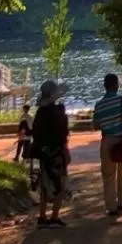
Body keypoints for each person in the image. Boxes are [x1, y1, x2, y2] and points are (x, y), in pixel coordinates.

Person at [93, 73, 122, 217]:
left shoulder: (99, 104)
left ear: (105, 86)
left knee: (108, 175)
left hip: (108, 140)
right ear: (116, 85)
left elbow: (96, 125)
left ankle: (111, 207)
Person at [31, 80, 70, 228]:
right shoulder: (58, 113)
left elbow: (36, 133)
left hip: (43, 153)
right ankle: (54, 216)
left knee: (45, 185)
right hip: (57, 152)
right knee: (60, 184)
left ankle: (42, 217)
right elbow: (63, 134)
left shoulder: (40, 113)